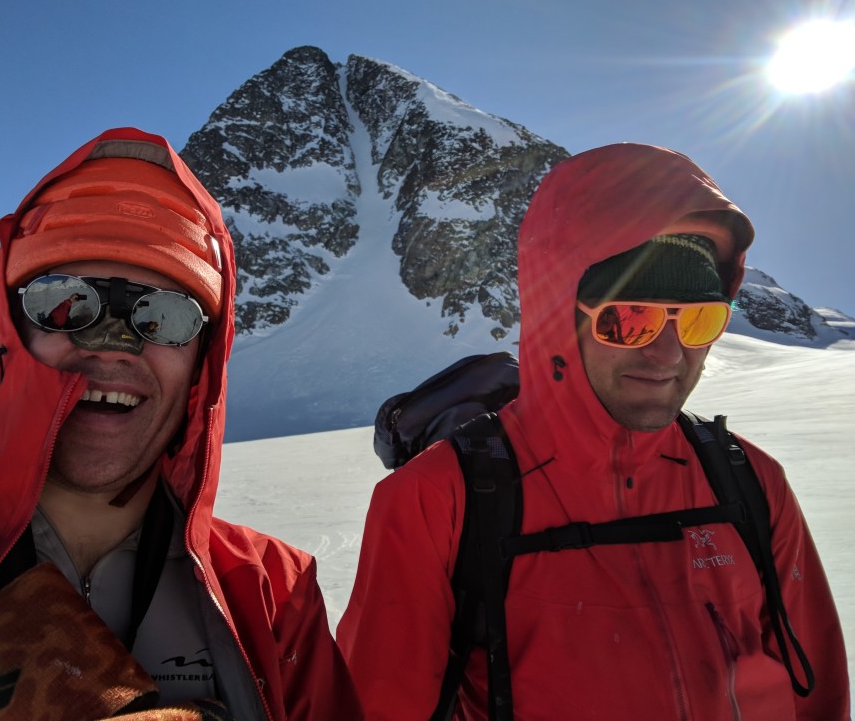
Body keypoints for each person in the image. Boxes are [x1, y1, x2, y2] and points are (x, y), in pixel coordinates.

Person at [0, 127, 362, 720]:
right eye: (64, 302)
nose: (112, 347)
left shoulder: (271, 592)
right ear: (13, 333)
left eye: (163, 316)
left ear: (200, 367)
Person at [337, 143, 850, 720]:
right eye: (629, 319)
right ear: (561, 316)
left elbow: (820, 695)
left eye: (701, 320)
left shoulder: (748, 481)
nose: (668, 352)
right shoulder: (439, 499)